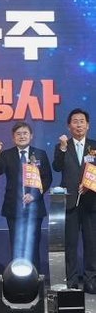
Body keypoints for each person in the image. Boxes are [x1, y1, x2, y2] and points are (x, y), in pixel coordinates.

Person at [0, 121, 52, 271]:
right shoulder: (6, 154)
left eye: (25, 133)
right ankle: (17, 278)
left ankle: (35, 277)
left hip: (34, 207)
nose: (22, 136)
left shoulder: (40, 154)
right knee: (16, 244)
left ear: (31, 136)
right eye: (18, 134)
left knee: (33, 244)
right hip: (13, 207)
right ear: (13, 137)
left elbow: (47, 179)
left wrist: (34, 195)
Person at [52, 108, 96, 293]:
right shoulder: (62, 146)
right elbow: (57, 167)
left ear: (88, 125)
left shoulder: (94, 146)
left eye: (82, 121)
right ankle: (71, 281)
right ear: (69, 126)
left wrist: (89, 185)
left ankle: (91, 280)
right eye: (75, 121)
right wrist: (62, 149)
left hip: (91, 201)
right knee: (70, 244)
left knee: (91, 243)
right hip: (70, 202)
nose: (79, 125)